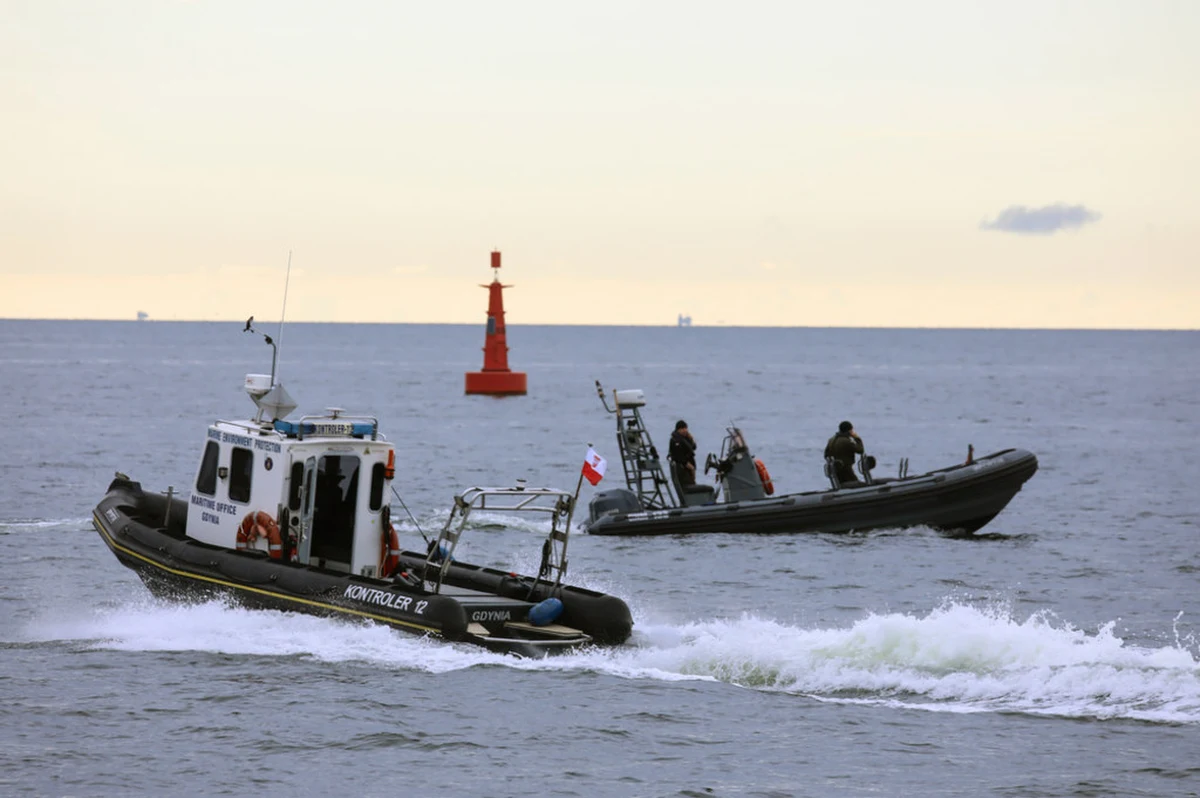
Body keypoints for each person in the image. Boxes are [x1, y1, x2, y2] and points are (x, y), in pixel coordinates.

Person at [824, 420, 864, 486]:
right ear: (849, 430)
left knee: (842, 485)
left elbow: (826, 455)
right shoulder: (847, 441)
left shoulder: (831, 440)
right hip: (846, 469)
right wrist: (857, 438)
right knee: (858, 485)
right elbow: (860, 450)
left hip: (836, 470)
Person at [668, 419, 698, 486]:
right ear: (678, 429)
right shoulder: (675, 440)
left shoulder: (685, 438)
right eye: (682, 429)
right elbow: (678, 456)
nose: (685, 430)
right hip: (683, 469)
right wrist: (689, 466)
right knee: (690, 484)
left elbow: (693, 447)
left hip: (689, 469)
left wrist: (691, 439)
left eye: (686, 428)